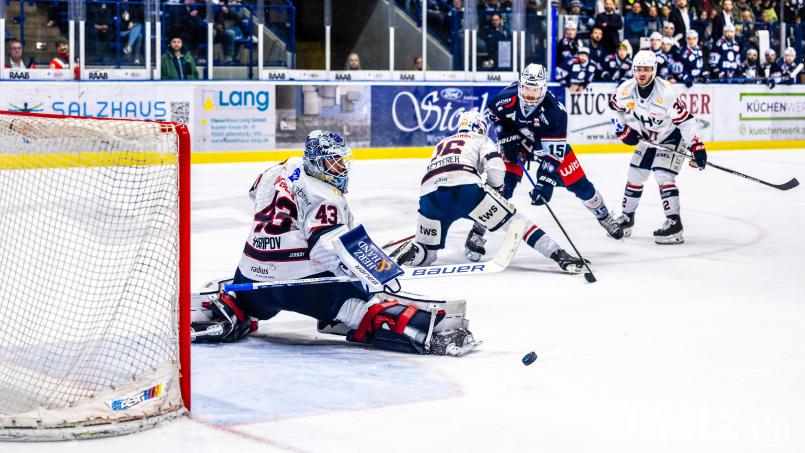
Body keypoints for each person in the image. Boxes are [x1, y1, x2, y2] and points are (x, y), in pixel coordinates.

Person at [193, 130, 479, 356]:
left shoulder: (279, 169)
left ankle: (234, 309)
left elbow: (254, 194)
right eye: (334, 162)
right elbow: (325, 250)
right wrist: (368, 273)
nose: (341, 168)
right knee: (364, 304)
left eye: (342, 161)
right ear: (317, 162)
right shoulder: (326, 197)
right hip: (296, 285)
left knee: (249, 298)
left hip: (250, 273)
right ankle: (434, 335)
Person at [389, 111, 589, 273]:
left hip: (430, 196)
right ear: (480, 127)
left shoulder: (442, 143)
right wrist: (494, 192)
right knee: (516, 222)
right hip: (465, 189)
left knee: (427, 255)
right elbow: (496, 167)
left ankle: (407, 254)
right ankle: (559, 255)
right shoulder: (479, 139)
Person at [480, 63, 625, 248]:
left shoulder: (555, 112)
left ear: (544, 89)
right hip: (519, 142)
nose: (530, 95)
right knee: (503, 185)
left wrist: (545, 182)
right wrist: (505, 136)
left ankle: (604, 216)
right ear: (519, 85)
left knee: (581, 186)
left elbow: (553, 155)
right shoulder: (503, 99)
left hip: (546, 146)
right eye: (526, 89)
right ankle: (478, 229)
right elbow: (496, 117)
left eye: (535, 90)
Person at [609, 50, 708, 244]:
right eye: (638, 69)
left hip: (672, 136)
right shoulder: (625, 90)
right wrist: (622, 130)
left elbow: (686, 122)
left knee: (663, 175)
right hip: (649, 138)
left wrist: (696, 146)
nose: (642, 73)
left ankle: (674, 223)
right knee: (634, 174)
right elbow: (615, 110)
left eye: (646, 69)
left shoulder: (667, 93)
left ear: (654, 70)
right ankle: (627, 219)